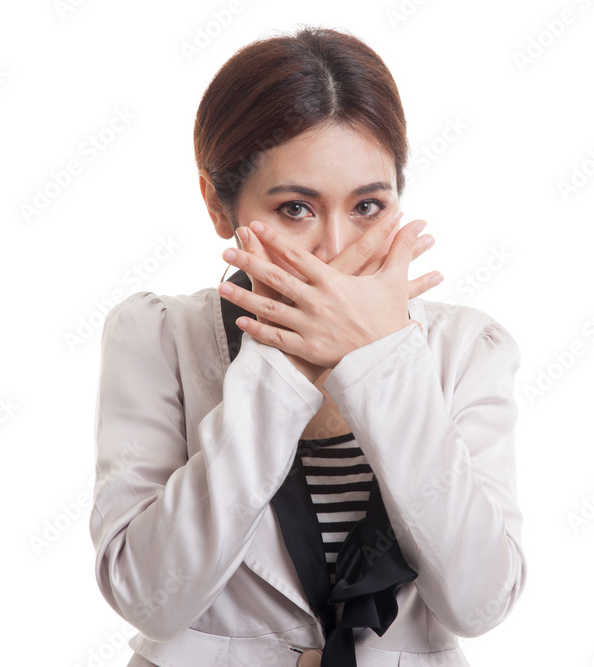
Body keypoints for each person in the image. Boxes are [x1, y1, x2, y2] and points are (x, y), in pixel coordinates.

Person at [89, 25, 526, 667]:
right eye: (296, 209)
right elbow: (150, 598)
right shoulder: (158, 337)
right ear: (217, 205)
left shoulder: (465, 348)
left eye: (368, 207)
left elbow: (479, 604)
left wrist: (381, 365)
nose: (334, 249)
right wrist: (285, 366)